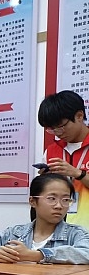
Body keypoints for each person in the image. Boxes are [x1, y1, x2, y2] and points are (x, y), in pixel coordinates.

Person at [0, 174, 89, 264]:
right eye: (52, 198)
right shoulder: (15, 233)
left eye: (66, 200)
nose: (59, 206)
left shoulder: (77, 233)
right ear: (33, 201)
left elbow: (85, 254)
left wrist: (35, 255)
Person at [38, 90, 89, 229]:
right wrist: (45, 181)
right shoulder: (51, 151)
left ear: (79, 116)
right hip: (59, 230)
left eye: (61, 126)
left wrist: (78, 173)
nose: (58, 133)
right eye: (52, 129)